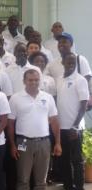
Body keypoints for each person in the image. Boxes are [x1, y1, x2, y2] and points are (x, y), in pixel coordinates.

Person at [8, 69, 62, 190]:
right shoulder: (15, 98)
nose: (33, 82)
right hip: (23, 143)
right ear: (24, 81)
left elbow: (54, 121)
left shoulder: (48, 97)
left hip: (44, 143)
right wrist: (12, 145)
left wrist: (58, 143)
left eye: (36, 80)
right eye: (30, 80)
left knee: (41, 181)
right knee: (23, 180)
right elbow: (10, 123)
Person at [56, 53, 89, 190]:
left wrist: (75, 126)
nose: (70, 66)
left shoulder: (80, 80)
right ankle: (68, 186)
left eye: (73, 63)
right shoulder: (58, 79)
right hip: (61, 128)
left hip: (74, 128)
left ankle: (79, 187)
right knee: (64, 160)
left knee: (77, 161)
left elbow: (84, 105)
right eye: (68, 63)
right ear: (63, 62)